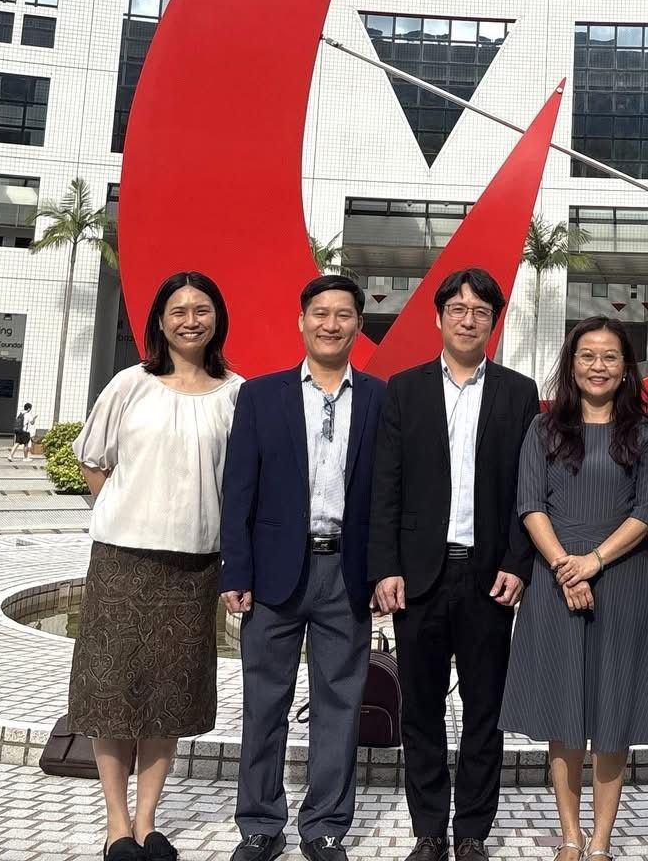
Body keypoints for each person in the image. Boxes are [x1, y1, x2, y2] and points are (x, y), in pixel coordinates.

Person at [68, 270, 242, 861]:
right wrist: (122, 508)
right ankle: (117, 825)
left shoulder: (235, 392)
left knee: (168, 693)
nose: (190, 320)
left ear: (217, 317)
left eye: (202, 309)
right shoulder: (129, 384)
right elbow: (93, 460)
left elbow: (240, 482)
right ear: (159, 321)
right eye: (178, 310)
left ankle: (148, 821)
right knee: (111, 691)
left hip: (194, 566)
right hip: (122, 559)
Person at [370, 267, 541, 861]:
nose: (469, 320)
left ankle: (471, 830)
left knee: (483, 711)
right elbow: (385, 485)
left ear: (493, 322)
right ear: (438, 317)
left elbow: (530, 489)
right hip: (420, 574)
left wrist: (520, 563)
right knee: (419, 709)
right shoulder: (405, 388)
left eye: (481, 311)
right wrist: (385, 567)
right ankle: (428, 832)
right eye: (458, 309)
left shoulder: (519, 393)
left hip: (490, 576)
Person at [223, 274, 384, 861]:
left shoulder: (378, 397)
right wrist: (234, 572)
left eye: (344, 315)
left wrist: (386, 570)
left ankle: (324, 826)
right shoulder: (261, 396)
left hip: (348, 572)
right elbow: (238, 490)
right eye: (320, 313)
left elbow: (387, 495)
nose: (331, 324)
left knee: (340, 705)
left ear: (358, 327)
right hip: (273, 576)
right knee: (265, 702)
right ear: (302, 321)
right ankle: (260, 823)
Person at [499, 317, 648, 861]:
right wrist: (563, 567)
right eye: (588, 356)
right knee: (563, 708)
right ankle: (570, 836)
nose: (598, 366)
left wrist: (592, 562)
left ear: (625, 370)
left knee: (612, 713)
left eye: (610, 357)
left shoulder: (645, 431)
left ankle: (601, 843)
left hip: (622, 579)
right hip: (554, 582)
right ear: (572, 364)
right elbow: (530, 503)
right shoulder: (544, 429)